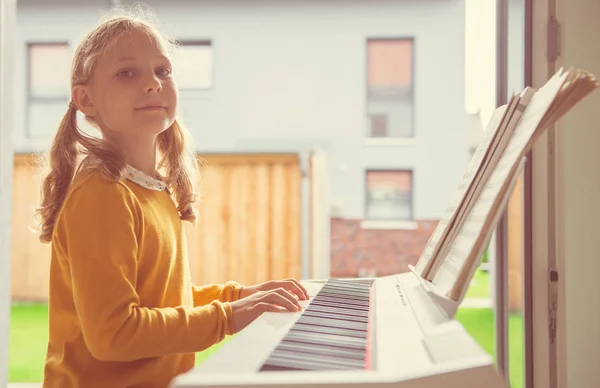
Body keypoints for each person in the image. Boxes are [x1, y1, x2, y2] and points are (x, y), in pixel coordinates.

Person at [35, 8, 309, 388]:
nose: (152, 83)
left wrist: (238, 296)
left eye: (162, 71)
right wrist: (228, 315)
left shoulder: (148, 187)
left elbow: (160, 302)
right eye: (127, 73)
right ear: (85, 99)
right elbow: (114, 334)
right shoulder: (102, 194)